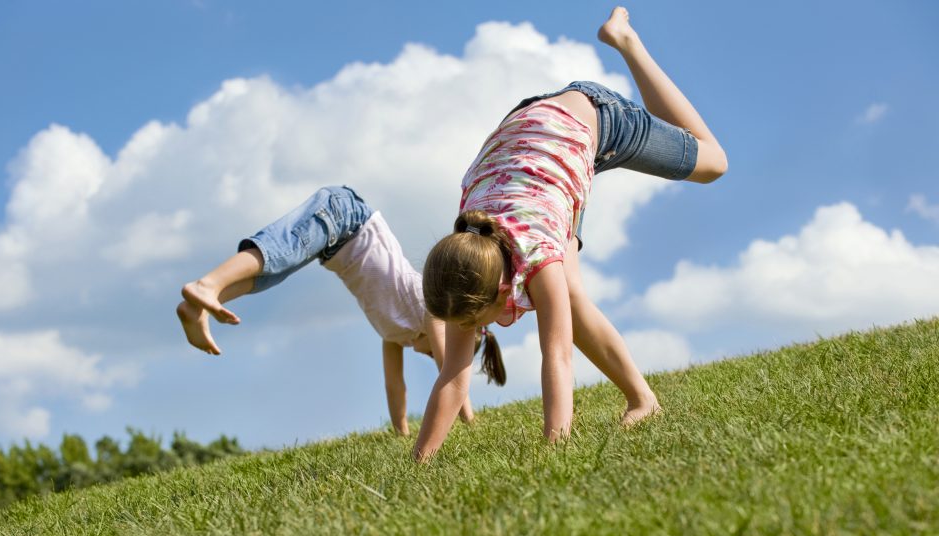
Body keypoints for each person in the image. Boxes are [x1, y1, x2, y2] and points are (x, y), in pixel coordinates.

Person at [416, 7, 727, 460]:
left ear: (503, 289)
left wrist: (554, 450)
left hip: (591, 118)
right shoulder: (469, 256)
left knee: (713, 163)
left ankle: (625, 41)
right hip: (529, 148)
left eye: (474, 321)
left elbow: (556, 358)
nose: (472, 331)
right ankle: (643, 402)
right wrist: (420, 463)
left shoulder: (537, 257)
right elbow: (453, 376)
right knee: (572, 295)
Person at [176, 185, 506, 436]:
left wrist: (401, 431)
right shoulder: (431, 308)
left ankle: (200, 304)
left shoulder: (394, 334)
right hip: (348, 217)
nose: (425, 352)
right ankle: (207, 286)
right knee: (278, 253)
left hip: (336, 245)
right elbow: (450, 372)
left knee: (271, 273)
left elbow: (395, 384)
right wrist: (470, 422)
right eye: (435, 349)